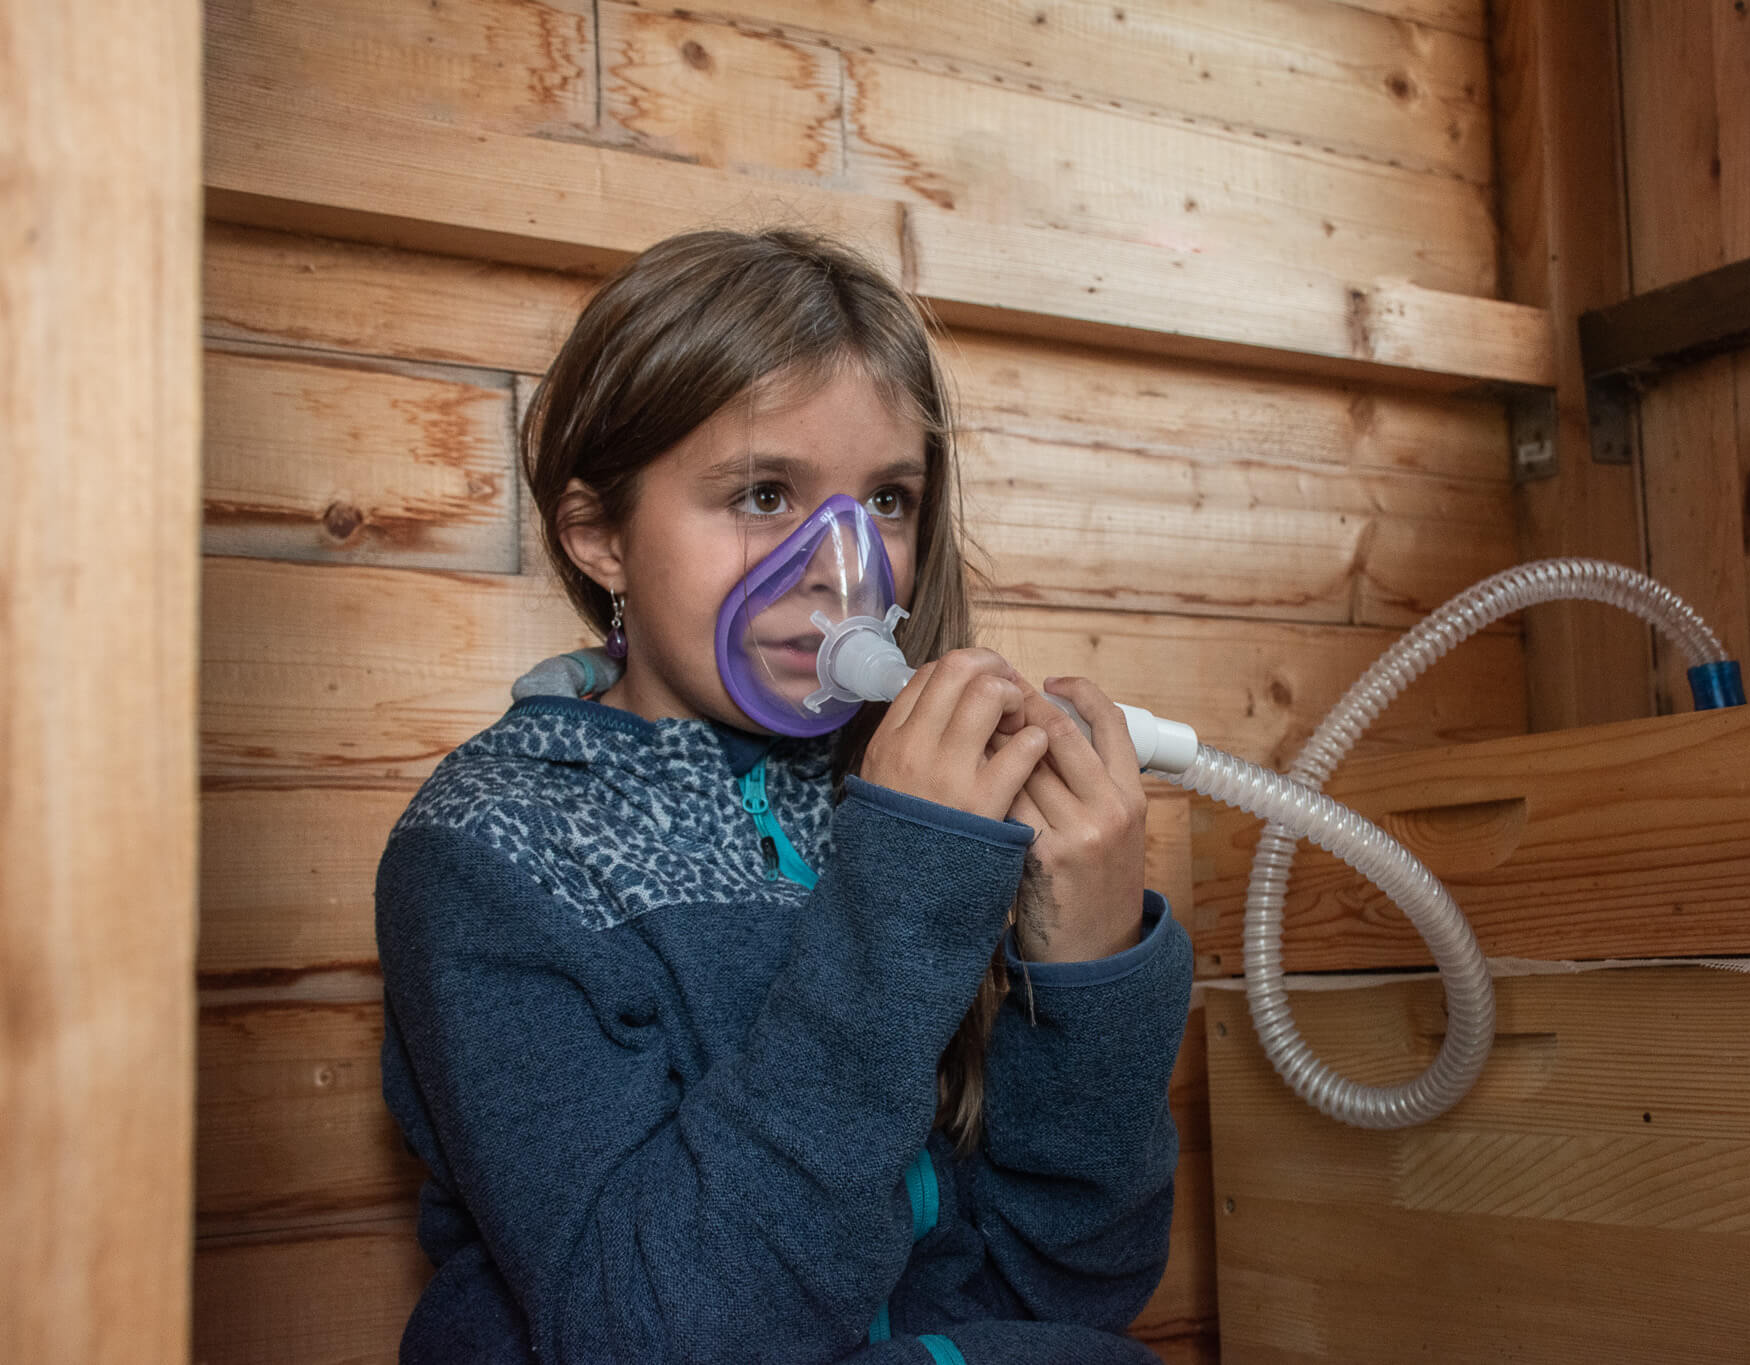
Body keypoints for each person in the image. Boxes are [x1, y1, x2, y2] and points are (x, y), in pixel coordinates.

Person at [375, 228, 1194, 1364]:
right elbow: (666, 1338)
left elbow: (1066, 1285)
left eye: (889, 501)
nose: (845, 567)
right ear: (598, 534)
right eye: (765, 492)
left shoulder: (907, 801)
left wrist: (1089, 969)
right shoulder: (491, 848)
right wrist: (902, 899)